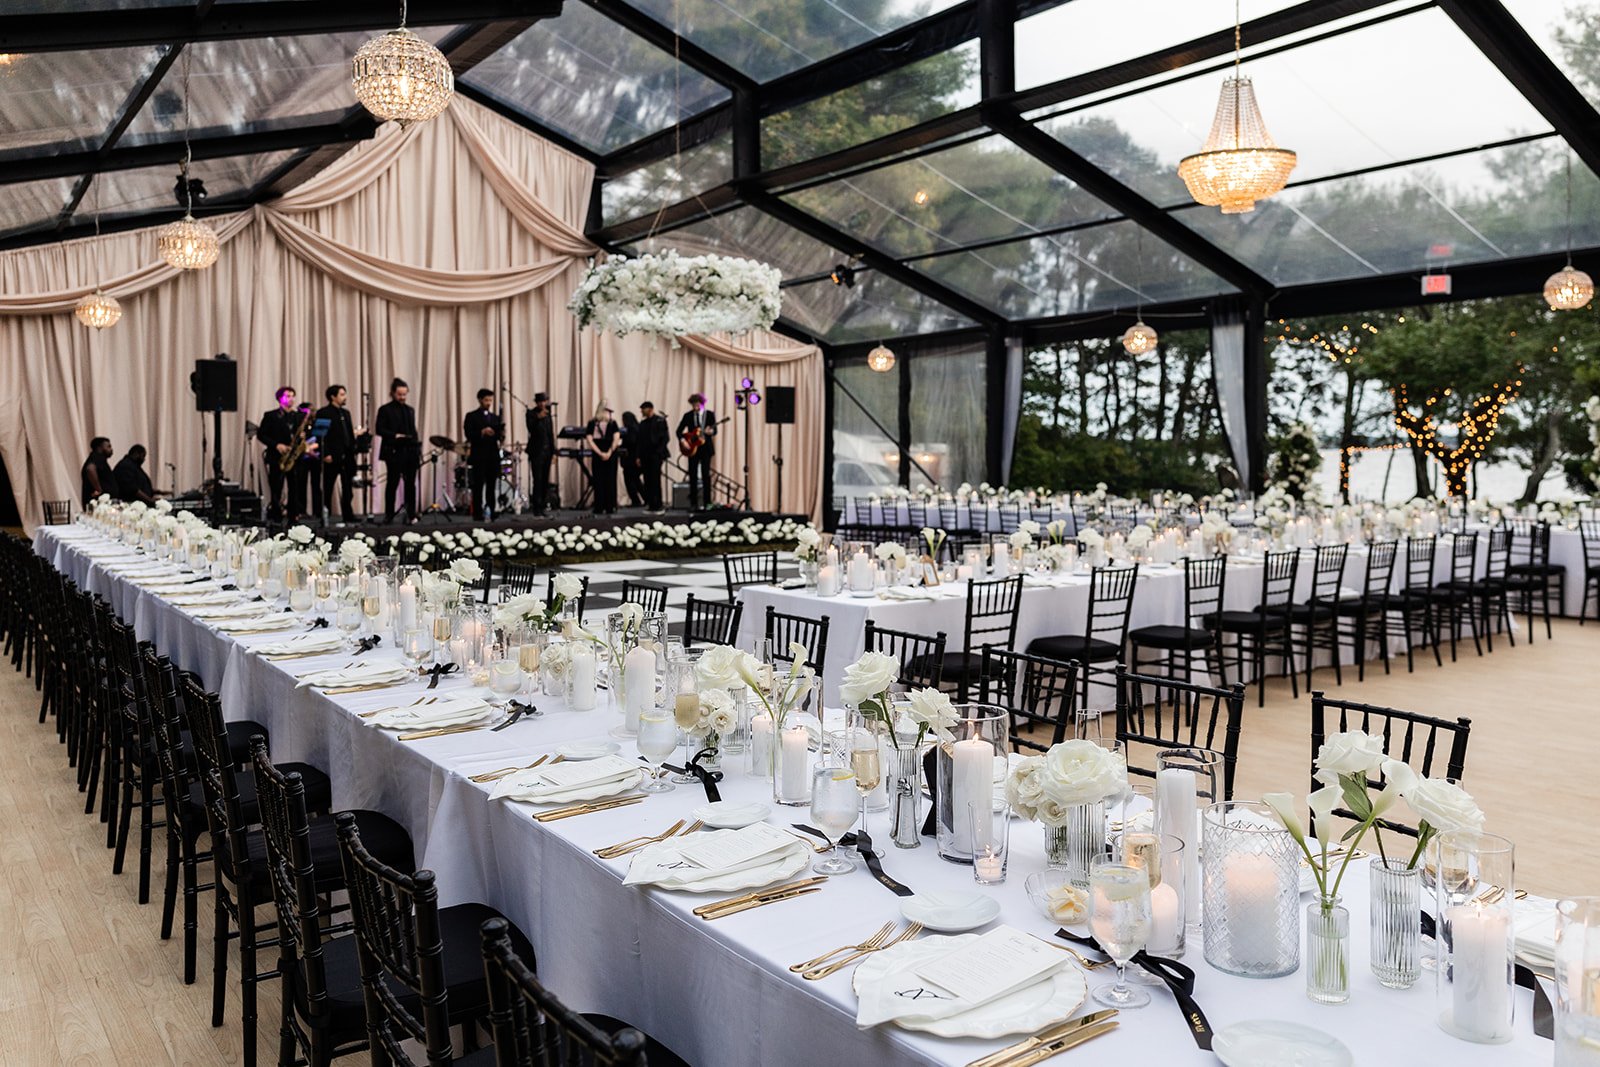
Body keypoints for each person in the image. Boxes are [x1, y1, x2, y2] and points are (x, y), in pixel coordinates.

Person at [374, 378, 421, 524]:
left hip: (409, 451)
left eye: (404, 394)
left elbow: (413, 430)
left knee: (410, 484)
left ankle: (411, 513)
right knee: (392, 483)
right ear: (393, 393)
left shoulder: (410, 410)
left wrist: (417, 447)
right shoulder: (385, 409)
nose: (402, 397)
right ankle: (389, 514)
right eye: (399, 394)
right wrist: (395, 435)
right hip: (393, 451)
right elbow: (379, 429)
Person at [258, 386, 304, 523]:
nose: (291, 399)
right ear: (279, 399)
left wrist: (302, 437)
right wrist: (277, 445)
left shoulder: (298, 416)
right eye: (288, 396)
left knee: (295, 487)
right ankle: (276, 515)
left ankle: (293, 515)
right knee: (276, 487)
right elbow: (261, 435)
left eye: (293, 396)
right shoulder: (271, 416)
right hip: (277, 457)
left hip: (294, 457)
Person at [316, 384, 360, 524]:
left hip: (347, 455)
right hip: (332, 456)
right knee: (328, 487)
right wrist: (325, 453)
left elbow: (349, 434)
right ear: (332, 397)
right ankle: (325, 515)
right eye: (341, 394)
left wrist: (353, 449)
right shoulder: (324, 412)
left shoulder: (345, 413)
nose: (344, 397)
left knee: (348, 488)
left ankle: (348, 515)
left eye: (344, 394)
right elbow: (320, 436)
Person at [463, 388, 504, 521]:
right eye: (486, 400)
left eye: (490, 400)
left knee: (491, 485)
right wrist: (482, 432)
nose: (488, 403)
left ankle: (491, 509)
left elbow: (499, 435)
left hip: (492, 455)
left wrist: (500, 434)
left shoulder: (495, 418)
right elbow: (468, 434)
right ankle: (477, 512)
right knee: (478, 485)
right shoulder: (471, 416)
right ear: (480, 400)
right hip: (479, 455)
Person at [676, 392, 717, 510]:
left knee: (705, 475)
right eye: (693, 405)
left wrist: (711, 432)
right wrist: (683, 441)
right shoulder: (687, 416)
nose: (695, 407)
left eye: (697, 404)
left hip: (705, 449)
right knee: (692, 475)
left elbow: (715, 431)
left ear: (702, 404)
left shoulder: (709, 415)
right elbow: (678, 431)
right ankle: (693, 503)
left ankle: (708, 503)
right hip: (692, 449)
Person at [524, 391, 557, 514]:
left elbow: (550, 434)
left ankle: (543, 505)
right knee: (537, 479)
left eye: (544, 401)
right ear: (537, 403)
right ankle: (536, 507)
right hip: (536, 452)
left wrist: (553, 452)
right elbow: (530, 428)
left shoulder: (548, 414)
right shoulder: (531, 414)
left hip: (547, 451)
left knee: (544, 480)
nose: (542, 404)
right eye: (540, 402)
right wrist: (538, 418)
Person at [635, 401, 670, 514]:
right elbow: (639, 441)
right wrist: (638, 456)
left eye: (643, 409)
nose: (641, 411)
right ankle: (650, 504)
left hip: (656, 455)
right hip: (645, 455)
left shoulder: (660, 420)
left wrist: (659, 452)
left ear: (650, 409)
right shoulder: (643, 424)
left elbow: (665, 438)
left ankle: (658, 504)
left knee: (655, 480)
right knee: (647, 480)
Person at [587, 402, 620, 515]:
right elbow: (589, 439)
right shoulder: (592, 423)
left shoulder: (612, 423)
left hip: (606, 453)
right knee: (599, 480)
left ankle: (609, 505)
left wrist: (607, 452)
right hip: (602, 453)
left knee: (609, 479)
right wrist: (602, 453)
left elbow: (616, 438)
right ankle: (601, 505)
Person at [618, 410, 645, 508]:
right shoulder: (637, 428)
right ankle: (646, 498)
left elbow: (631, 442)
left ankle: (636, 500)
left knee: (629, 480)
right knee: (636, 480)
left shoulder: (631, 430)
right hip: (635, 458)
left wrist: (620, 447)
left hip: (630, 459)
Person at [80, 437, 114, 507]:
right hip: (97, 503)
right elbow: (90, 469)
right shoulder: (97, 457)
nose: (111, 449)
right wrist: (99, 490)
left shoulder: (99, 459)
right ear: (99, 448)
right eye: (108, 446)